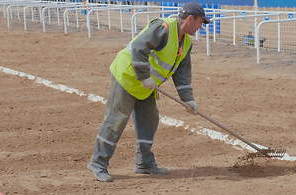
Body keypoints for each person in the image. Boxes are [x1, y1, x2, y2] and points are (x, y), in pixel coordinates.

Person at [87, 2, 210, 182]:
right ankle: (98, 164)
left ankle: (144, 163)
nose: (201, 27)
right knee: (116, 120)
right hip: (128, 77)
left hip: (147, 86)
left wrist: (188, 100)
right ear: (191, 19)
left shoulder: (187, 43)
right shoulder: (163, 28)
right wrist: (144, 76)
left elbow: (182, 74)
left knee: (149, 120)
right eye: (201, 22)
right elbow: (138, 47)